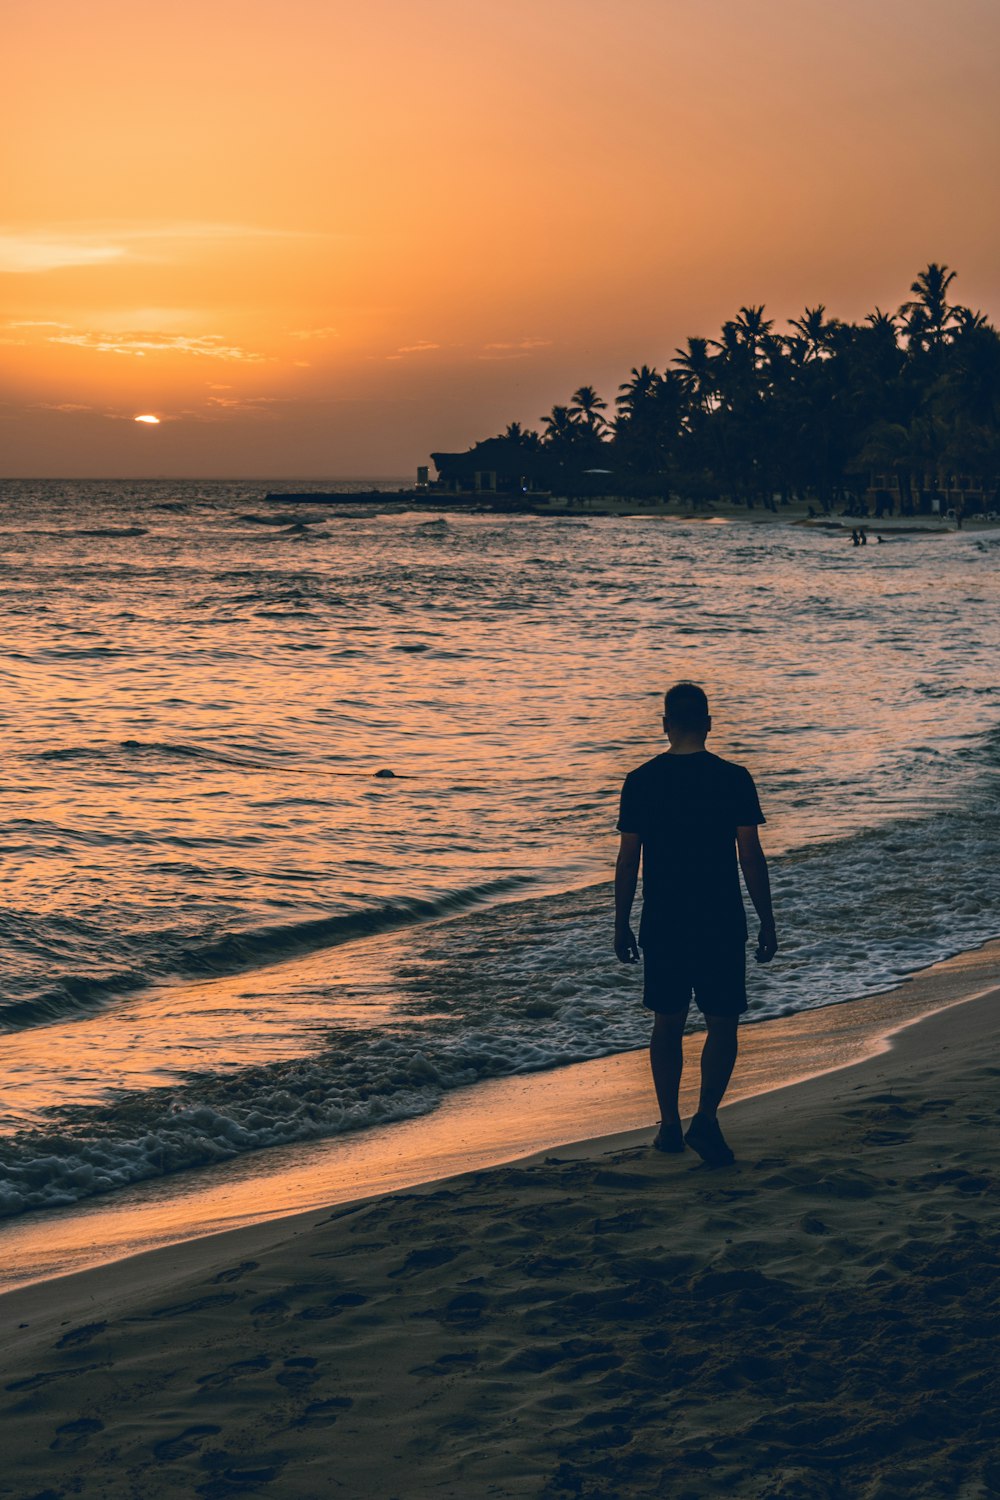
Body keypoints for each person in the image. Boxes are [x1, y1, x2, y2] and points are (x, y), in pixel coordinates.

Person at [614, 682, 777, 1167]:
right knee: (722, 1020)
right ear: (708, 723)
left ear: (665, 725)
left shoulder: (640, 779)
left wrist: (621, 923)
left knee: (668, 1021)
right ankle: (705, 1117)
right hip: (720, 916)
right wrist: (767, 920)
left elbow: (628, 861)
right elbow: (750, 855)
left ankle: (669, 1125)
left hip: (664, 918)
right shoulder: (733, 778)